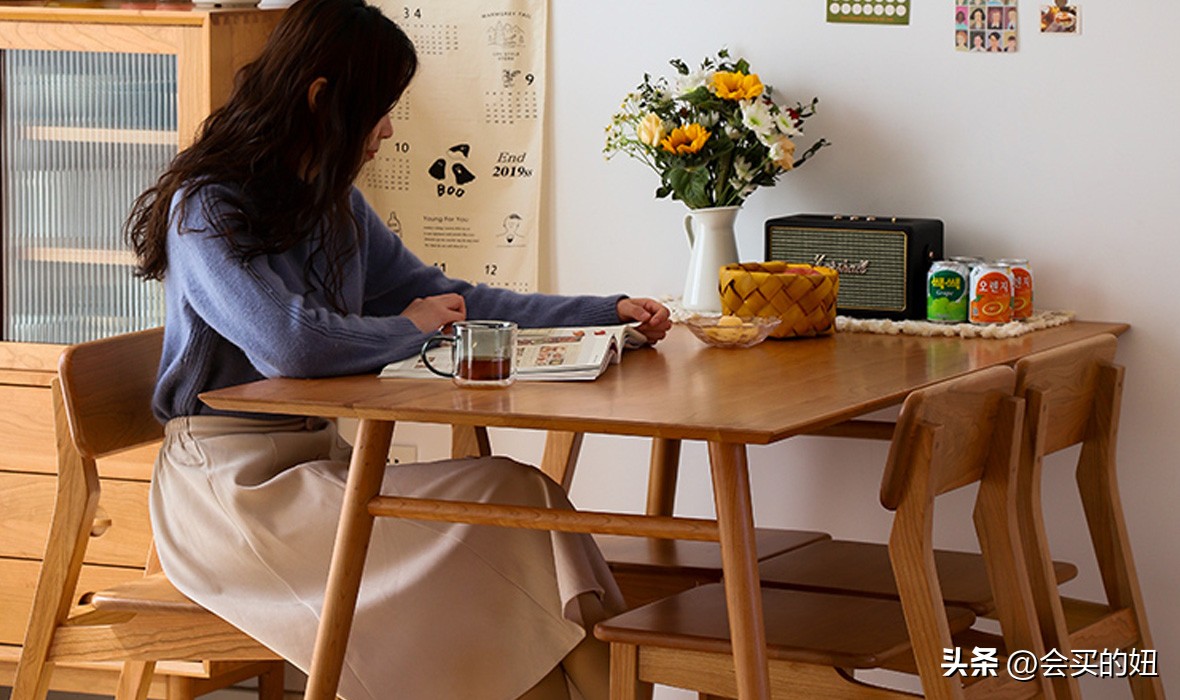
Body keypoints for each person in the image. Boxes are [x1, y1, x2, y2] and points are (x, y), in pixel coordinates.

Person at [123, 0, 671, 699]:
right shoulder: (206, 208)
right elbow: (289, 343)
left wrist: (602, 314)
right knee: (512, 512)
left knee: (520, 513)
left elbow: (455, 301)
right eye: (379, 108)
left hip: (320, 472)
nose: (386, 128)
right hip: (234, 502)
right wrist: (411, 325)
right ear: (322, 99)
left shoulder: (333, 206)